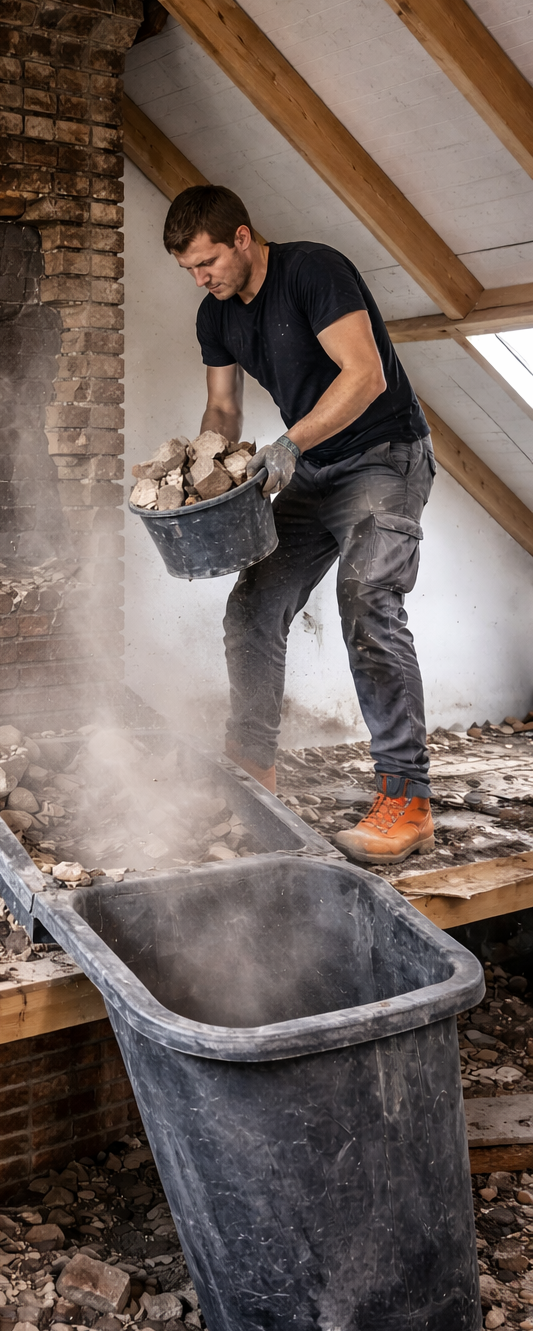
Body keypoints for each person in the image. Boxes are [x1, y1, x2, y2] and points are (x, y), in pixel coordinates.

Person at [165, 185, 436, 864]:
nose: (202, 280)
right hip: (311, 471)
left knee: (368, 600)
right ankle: (250, 773)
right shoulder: (216, 315)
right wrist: (207, 474)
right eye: (190, 271)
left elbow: (366, 375)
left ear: (243, 238)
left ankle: (407, 800)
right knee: (254, 606)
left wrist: (289, 444)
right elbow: (222, 410)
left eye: (208, 264)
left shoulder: (314, 271)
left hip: (383, 456)